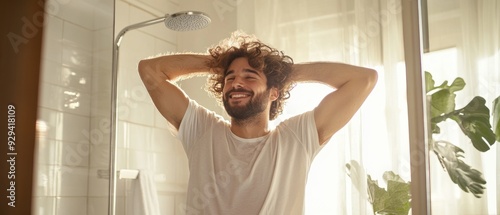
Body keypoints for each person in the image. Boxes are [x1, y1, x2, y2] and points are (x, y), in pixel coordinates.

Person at [138, 31, 377, 215]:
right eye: (229, 77)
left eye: (249, 76)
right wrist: (217, 63)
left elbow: (364, 79)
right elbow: (149, 70)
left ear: (274, 93)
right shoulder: (201, 129)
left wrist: (284, 71)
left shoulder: (297, 137)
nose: (235, 83)